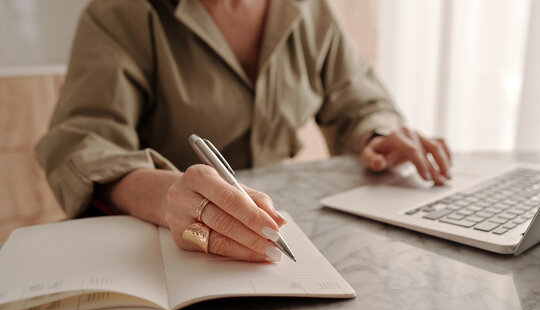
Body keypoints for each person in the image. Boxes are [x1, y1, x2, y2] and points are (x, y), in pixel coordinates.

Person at [36, 0, 451, 263]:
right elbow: (83, 142)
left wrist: (377, 135)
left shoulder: (312, 10)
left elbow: (358, 101)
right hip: (154, 246)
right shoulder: (120, 14)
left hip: (267, 236)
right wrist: (168, 196)